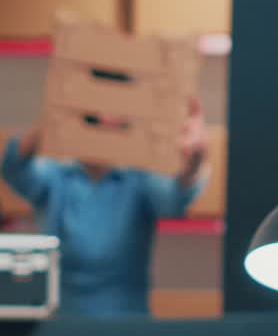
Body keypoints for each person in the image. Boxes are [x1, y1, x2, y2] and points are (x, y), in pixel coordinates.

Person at [1, 98, 208, 316]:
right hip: (59, 327)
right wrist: (53, 116)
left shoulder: (140, 178)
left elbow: (176, 198)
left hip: (125, 330)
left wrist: (194, 160)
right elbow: (14, 168)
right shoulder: (56, 174)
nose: (105, 118)